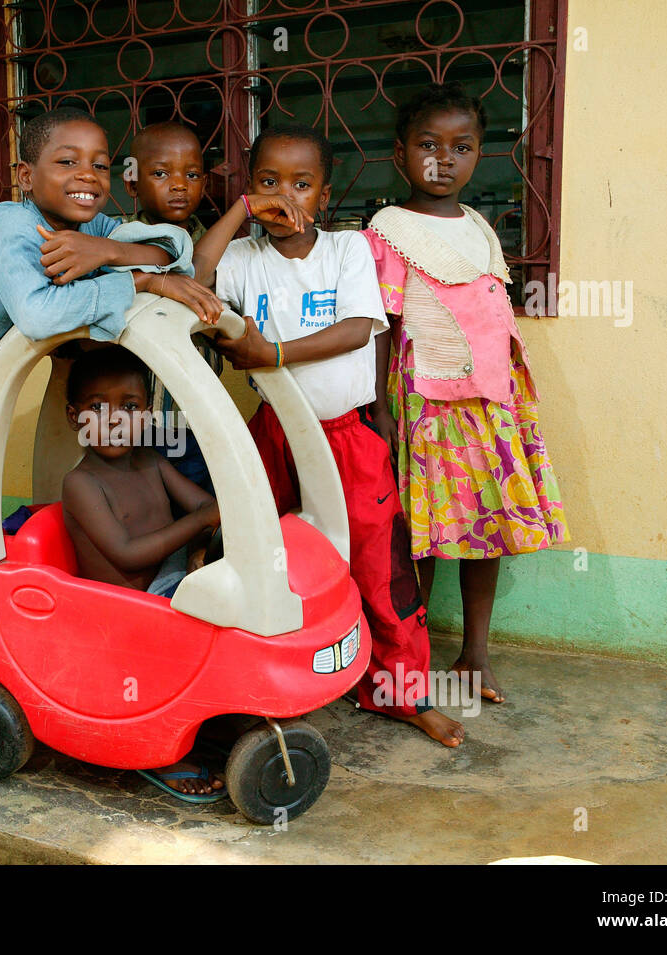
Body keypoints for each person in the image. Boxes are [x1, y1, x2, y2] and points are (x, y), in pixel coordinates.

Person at [0, 107, 224, 735]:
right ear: (25, 175)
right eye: (66, 162)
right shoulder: (12, 226)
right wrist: (138, 278)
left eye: (100, 165)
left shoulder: (94, 223)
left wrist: (108, 249)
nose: (86, 175)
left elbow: (179, 246)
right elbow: (37, 314)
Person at [194, 124, 465, 747]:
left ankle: (403, 692)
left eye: (301, 183)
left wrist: (272, 352)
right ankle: (277, 680)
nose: (283, 197)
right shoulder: (243, 258)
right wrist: (239, 210)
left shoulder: (345, 251)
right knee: (269, 555)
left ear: (325, 193)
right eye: (267, 183)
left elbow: (357, 328)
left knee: (379, 563)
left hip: (348, 437)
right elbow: (198, 273)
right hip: (275, 436)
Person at [363, 83, 569, 703]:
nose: (443, 159)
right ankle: (412, 656)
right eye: (428, 145)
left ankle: (475, 654)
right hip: (426, 405)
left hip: (490, 402)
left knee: (490, 523)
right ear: (401, 155)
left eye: (461, 146)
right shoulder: (390, 230)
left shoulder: (478, 226)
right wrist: (377, 408)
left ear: (479, 155)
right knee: (420, 532)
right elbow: (381, 325)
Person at [60, 345, 225, 800]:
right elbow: (128, 554)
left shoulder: (152, 462)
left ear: (147, 413)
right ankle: (158, 751)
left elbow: (209, 507)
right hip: (126, 613)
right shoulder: (81, 484)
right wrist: (196, 525)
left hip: (168, 584)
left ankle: (221, 713)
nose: (114, 419)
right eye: (97, 407)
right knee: (210, 619)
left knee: (236, 576)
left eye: (129, 406)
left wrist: (199, 543)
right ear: (74, 417)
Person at [122, 121, 223, 495]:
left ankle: (196, 555)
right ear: (132, 183)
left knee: (201, 495)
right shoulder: (118, 243)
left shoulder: (214, 246)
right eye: (161, 173)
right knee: (140, 499)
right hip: (134, 417)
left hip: (196, 413)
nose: (179, 184)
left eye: (192, 174)